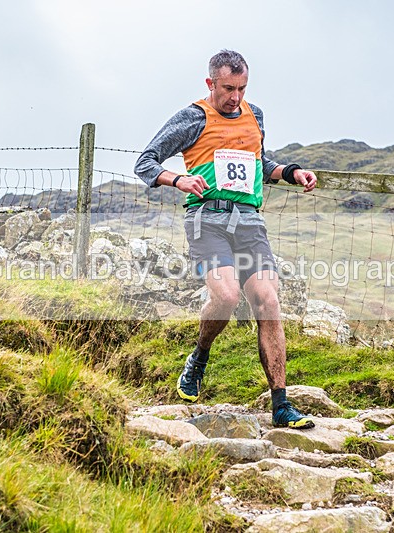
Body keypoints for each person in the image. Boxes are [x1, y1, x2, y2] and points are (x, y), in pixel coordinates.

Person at [134, 49, 318, 429]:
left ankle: (281, 405)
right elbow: (146, 162)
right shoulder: (193, 117)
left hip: (249, 221)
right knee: (228, 296)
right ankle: (199, 356)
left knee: (268, 299)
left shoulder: (256, 116)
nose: (236, 97)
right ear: (211, 83)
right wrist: (179, 179)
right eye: (228, 88)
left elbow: (258, 163)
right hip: (207, 218)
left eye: (242, 88)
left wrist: (292, 172)